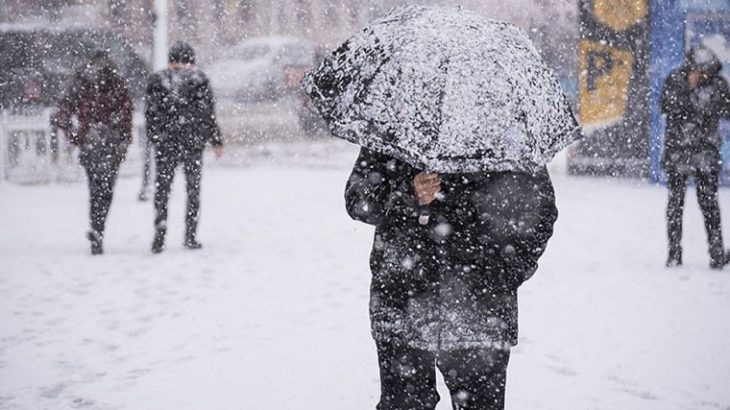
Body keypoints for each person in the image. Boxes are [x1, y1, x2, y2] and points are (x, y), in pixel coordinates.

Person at [345, 148, 558, 410]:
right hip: (403, 301)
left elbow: (540, 212)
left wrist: (504, 274)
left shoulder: (506, 131)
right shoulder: (395, 123)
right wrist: (407, 193)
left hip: (481, 311)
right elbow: (358, 200)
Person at [145, 41, 223, 254]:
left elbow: (150, 114)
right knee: (193, 190)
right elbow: (208, 114)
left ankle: (159, 231)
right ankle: (190, 235)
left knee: (162, 189)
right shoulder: (199, 80)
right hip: (192, 144)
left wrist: (157, 138)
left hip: (166, 144)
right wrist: (216, 139)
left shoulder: (157, 80)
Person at [56, 50, 133, 255]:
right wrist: (124, 139)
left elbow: (63, 113)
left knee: (96, 188)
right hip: (111, 142)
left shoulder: (81, 83)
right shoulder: (116, 83)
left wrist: (77, 136)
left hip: (91, 142)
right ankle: (99, 228)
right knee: (106, 189)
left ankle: (96, 227)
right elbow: (126, 114)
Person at [660, 46, 730, 269]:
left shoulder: (718, 85)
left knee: (709, 203)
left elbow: (725, 110)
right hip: (678, 151)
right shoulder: (676, 80)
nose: (703, 75)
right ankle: (674, 253)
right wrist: (689, 89)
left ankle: (717, 253)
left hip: (705, 152)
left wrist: (704, 99)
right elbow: (668, 106)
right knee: (675, 204)